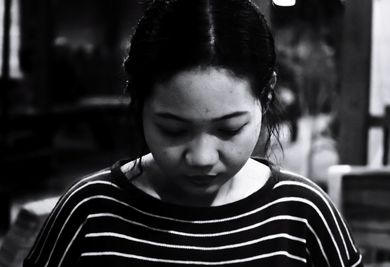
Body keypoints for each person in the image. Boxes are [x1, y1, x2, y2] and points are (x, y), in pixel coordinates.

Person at [24, 0, 363, 266]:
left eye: (229, 129)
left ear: (266, 95)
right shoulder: (89, 211)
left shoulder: (302, 211)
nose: (201, 157)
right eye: (173, 129)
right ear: (139, 101)